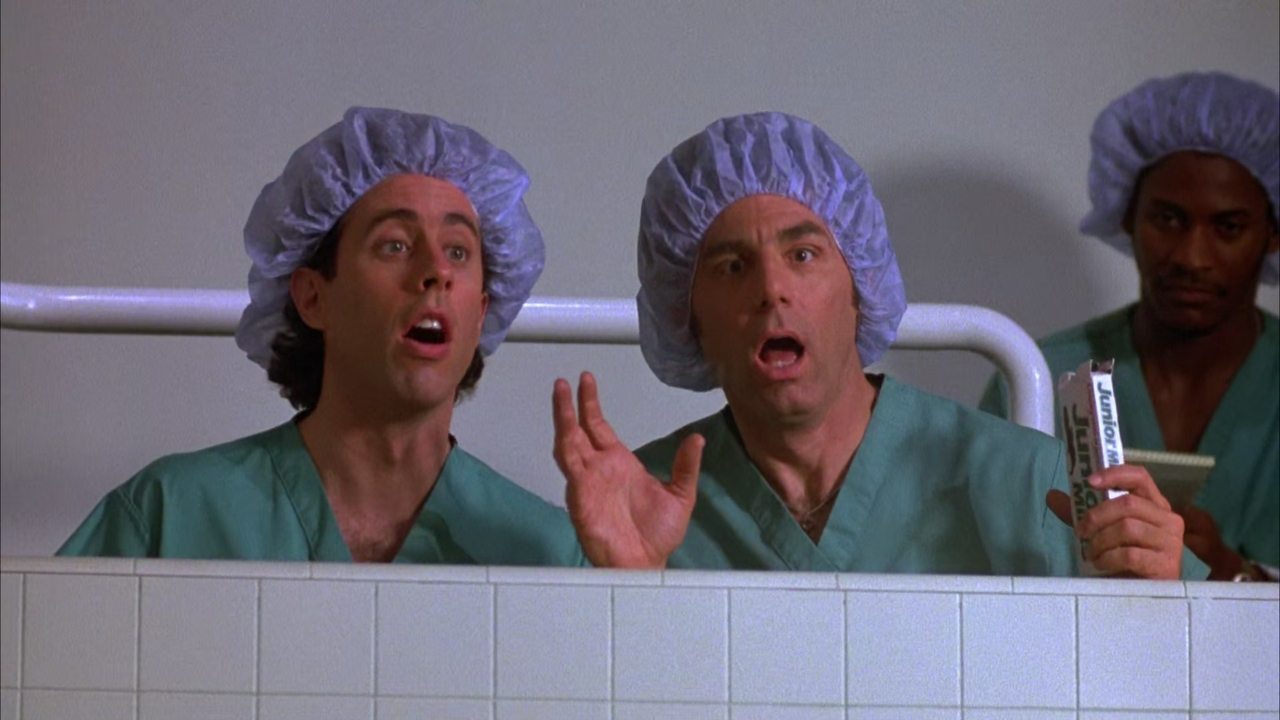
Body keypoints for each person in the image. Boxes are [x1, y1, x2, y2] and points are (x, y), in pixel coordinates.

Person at [554, 112, 1197, 578]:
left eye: (803, 255)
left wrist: (1159, 601)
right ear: (686, 315)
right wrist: (627, 595)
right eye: (731, 266)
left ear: (860, 288)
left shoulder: (1030, 485)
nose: (771, 290)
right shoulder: (641, 508)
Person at [59, 107, 583, 565]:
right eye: (396, 245)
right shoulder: (171, 518)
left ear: (482, 312)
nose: (436, 271)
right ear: (313, 297)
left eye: (458, 251)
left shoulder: (549, 552)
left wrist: (624, 570)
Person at [980, 72, 1279, 581]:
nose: (1192, 257)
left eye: (1228, 227)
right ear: (1127, 217)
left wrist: (1236, 575)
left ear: (1273, 234)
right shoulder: (1034, 379)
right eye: (1168, 220)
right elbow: (977, 569)